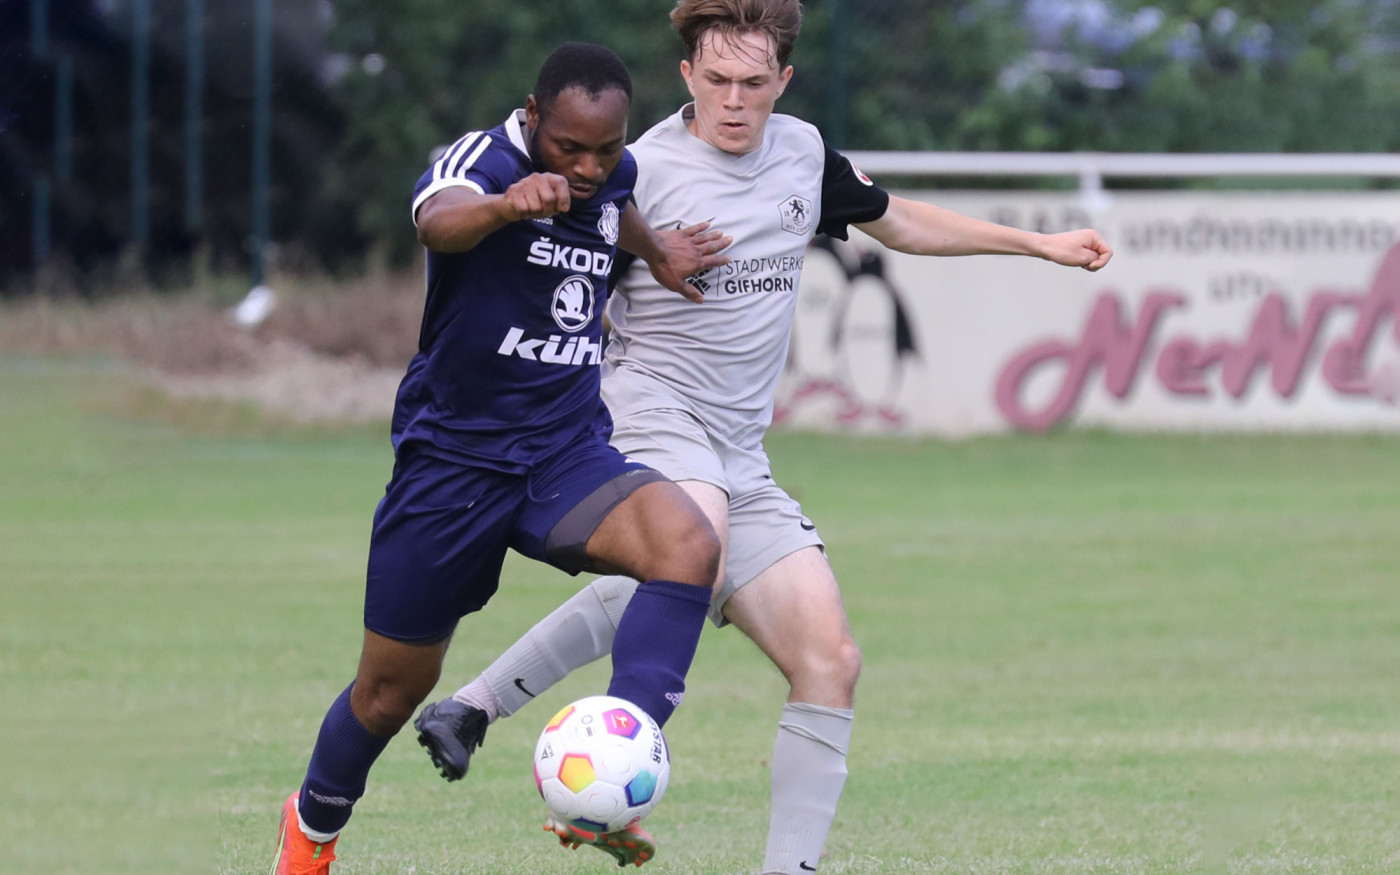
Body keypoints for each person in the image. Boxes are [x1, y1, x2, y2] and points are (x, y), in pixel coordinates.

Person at [414, 2, 1114, 872]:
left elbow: (898, 221)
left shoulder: (804, 153)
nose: (734, 102)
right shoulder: (636, 171)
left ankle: (477, 707)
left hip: (739, 451)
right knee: (690, 544)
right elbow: (537, 284)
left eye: (753, 83)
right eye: (716, 81)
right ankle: (610, 778)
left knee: (830, 659)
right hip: (646, 411)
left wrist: (1038, 244)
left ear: (782, 81)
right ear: (686, 78)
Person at [268, 41, 738, 875]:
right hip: (452, 466)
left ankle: (616, 770)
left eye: (607, 146)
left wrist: (658, 252)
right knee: (388, 692)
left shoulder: (614, 175)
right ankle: (310, 831)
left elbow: (616, 205)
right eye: (570, 147)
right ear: (533, 115)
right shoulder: (484, 161)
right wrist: (507, 206)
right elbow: (435, 219)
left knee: (688, 544)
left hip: (564, 453)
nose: (589, 165)